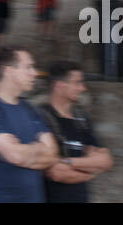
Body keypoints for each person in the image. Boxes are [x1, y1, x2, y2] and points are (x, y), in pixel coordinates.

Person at [0, 46, 57, 203]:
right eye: (28, 67)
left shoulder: (31, 109)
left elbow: (52, 155)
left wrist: (24, 152)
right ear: (8, 71)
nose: (34, 73)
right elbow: (14, 155)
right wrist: (39, 148)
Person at [38, 61, 114, 202]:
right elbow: (57, 173)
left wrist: (67, 162)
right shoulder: (40, 118)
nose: (83, 88)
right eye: (77, 83)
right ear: (59, 86)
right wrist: (91, 169)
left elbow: (105, 161)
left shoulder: (82, 119)